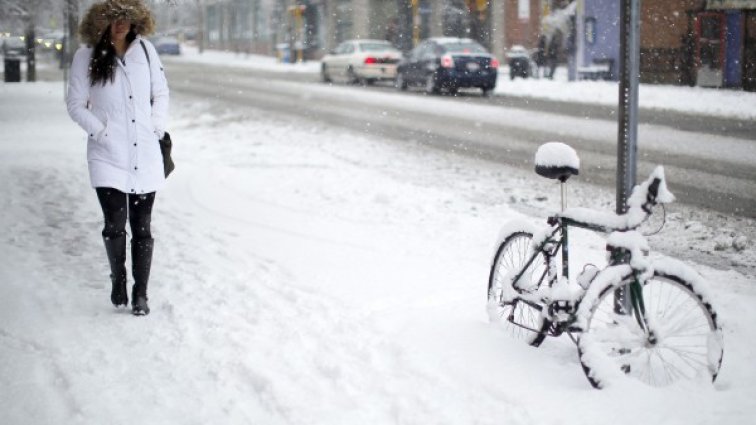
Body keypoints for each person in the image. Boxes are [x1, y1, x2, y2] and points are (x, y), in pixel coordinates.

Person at [66, 0, 169, 316]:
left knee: (142, 228)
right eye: (113, 17)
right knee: (114, 225)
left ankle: (141, 293)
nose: (120, 23)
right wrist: (103, 133)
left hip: (145, 154)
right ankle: (118, 277)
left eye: (126, 17)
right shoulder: (86, 57)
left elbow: (161, 93)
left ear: (137, 19)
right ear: (101, 22)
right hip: (107, 156)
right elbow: (75, 105)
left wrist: (155, 126)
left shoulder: (147, 52)